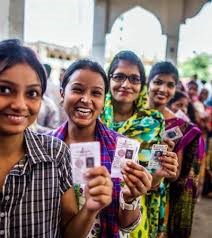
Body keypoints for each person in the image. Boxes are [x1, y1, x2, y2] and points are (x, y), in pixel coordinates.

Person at [0, 39, 113, 238]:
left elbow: (69, 232)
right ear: (62, 94)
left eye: (32, 93)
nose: (19, 104)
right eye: (5, 89)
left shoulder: (55, 153)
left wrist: (90, 208)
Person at [50, 58, 153, 237]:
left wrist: (130, 199)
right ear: (62, 94)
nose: (86, 99)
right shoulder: (44, 146)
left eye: (96, 93)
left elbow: (126, 226)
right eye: (77, 89)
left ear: (104, 100)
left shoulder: (121, 148)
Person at [101, 51, 178, 238]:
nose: (126, 84)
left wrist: (159, 175)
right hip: (95, 206)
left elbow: (152, 176)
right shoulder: (95, 115)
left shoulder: (152, 121)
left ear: (142, 84)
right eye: (119, 76)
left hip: (135, 208)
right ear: (108, 79)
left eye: (134, 79)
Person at [148, 61, 205, 238]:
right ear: (148, 83)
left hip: (156, 198)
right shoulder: (132, 115)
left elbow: (175, 175)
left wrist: (166, 164)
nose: (163, 89)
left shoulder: (179, 126)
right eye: (158, 82)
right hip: (124, 189)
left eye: (170, 85)